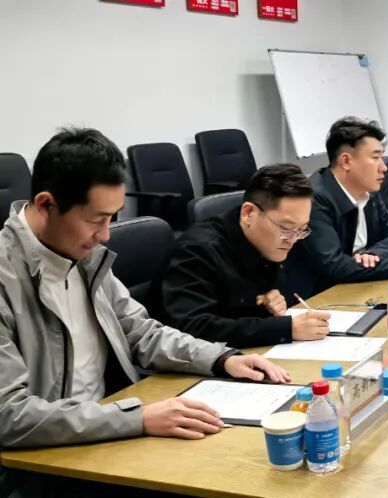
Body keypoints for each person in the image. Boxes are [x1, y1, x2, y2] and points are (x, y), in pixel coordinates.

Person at [0, 128, 288, 493]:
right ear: (46, 205)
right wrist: (137, 418)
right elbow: (10, 415)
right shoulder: (7, 278)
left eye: (112, 218)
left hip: (107, 435)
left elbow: (140, 332)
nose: (106, 235)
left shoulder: (83, 254)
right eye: (96, 220)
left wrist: (221, 359)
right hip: (44, 467)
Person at [156, 163, 332, 349]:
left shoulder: (265, 241)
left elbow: (245, 304)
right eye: (286, 228)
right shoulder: (196, 252)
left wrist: (267, 303)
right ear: (249, 213)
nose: (293, 239)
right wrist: (285, 329)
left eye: (301, 229)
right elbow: (192, 328)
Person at [279, 118, 388, 300]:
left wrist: (373, 255)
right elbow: (334, 265)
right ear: (346, 161)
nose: (384, 167)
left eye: (382, 157)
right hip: (319, 297)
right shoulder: (313, 199)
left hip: (362, 285)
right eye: (375, 158)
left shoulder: (369, 190)